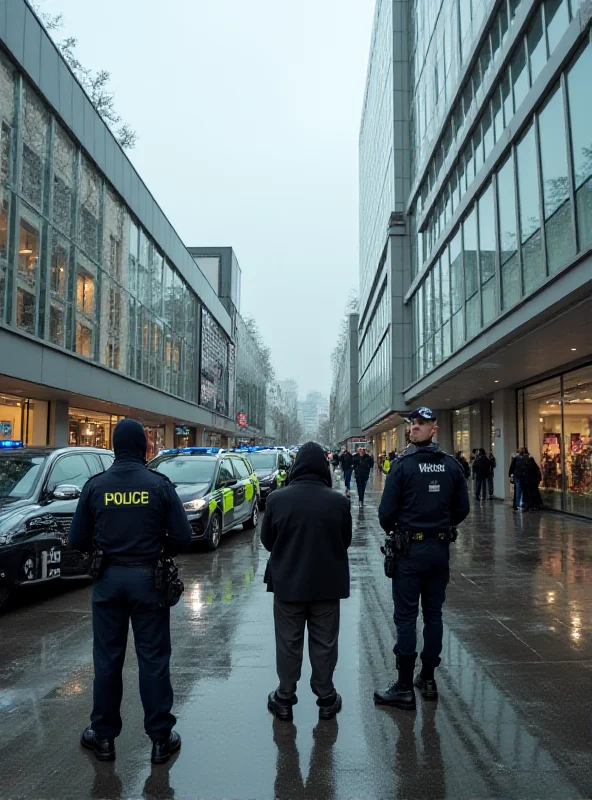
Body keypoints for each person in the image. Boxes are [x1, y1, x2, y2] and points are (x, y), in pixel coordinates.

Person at [68, 419, 192, 764]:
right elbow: (183, 536)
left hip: (108, 580)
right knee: (153, 660)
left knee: (107, 660)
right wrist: (157, 550)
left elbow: (76, 539)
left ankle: (104, 738)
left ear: (113, 447)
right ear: (143, 448)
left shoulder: (96, 486)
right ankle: (160, 738)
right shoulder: (159, 485)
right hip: (148, 581)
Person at [374, 407, 470, 710]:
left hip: (410, 552)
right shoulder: (452, 466)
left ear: (434, 429)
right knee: (433, 615)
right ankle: (427, 679)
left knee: (406, 617)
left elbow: (385, 515)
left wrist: (408, 527)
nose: (414, 428)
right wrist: (440, 526)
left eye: (421, 424)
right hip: (438, 551)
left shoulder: (402, 466)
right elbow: (462, 510)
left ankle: (405, 687)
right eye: (412, 423)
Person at [261, 442, 352, 722]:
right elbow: (344, 541)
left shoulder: (277, 499)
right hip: (327, 586)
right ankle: (326, 697)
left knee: (288, 643)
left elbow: (267, 541)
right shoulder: (339, 501)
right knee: (324, 643)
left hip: (288, 585)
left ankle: (285, 697)